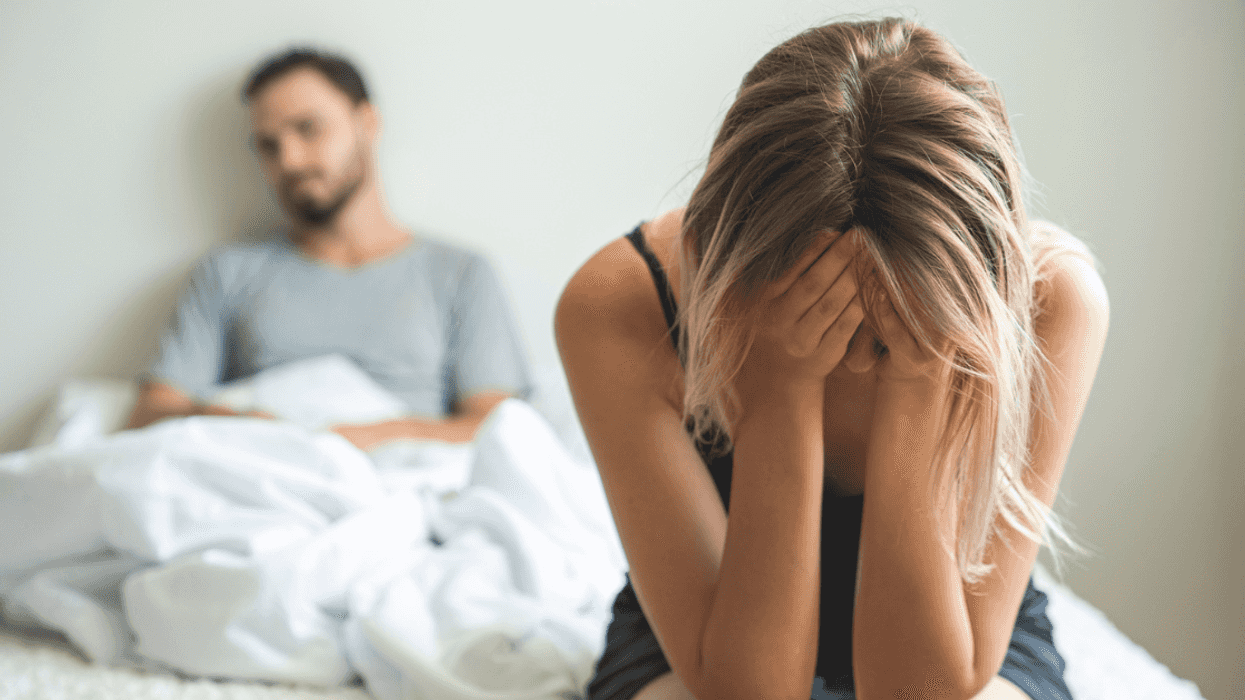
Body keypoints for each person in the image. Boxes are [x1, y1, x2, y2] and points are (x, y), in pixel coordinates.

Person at [555, 17, 1108, 700]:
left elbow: (924, 691)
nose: (850, 364)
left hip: (953, 631)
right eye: (821, 309)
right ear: (722, 254)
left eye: (879, 333)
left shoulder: (1048, 301)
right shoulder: (622, 303)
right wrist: (780, 394)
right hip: (708, 627)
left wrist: (919, 377)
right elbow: (744, 692)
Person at [126, 48, 531, 448]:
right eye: (269, 146)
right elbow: (150, 415)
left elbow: (495, 429)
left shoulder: (460, 274)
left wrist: (360, 439)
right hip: (269, 477)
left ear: (367, 123)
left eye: (308, 128)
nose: (290, 160)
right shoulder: (227, 271)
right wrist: (247, 427)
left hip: (404, 487)